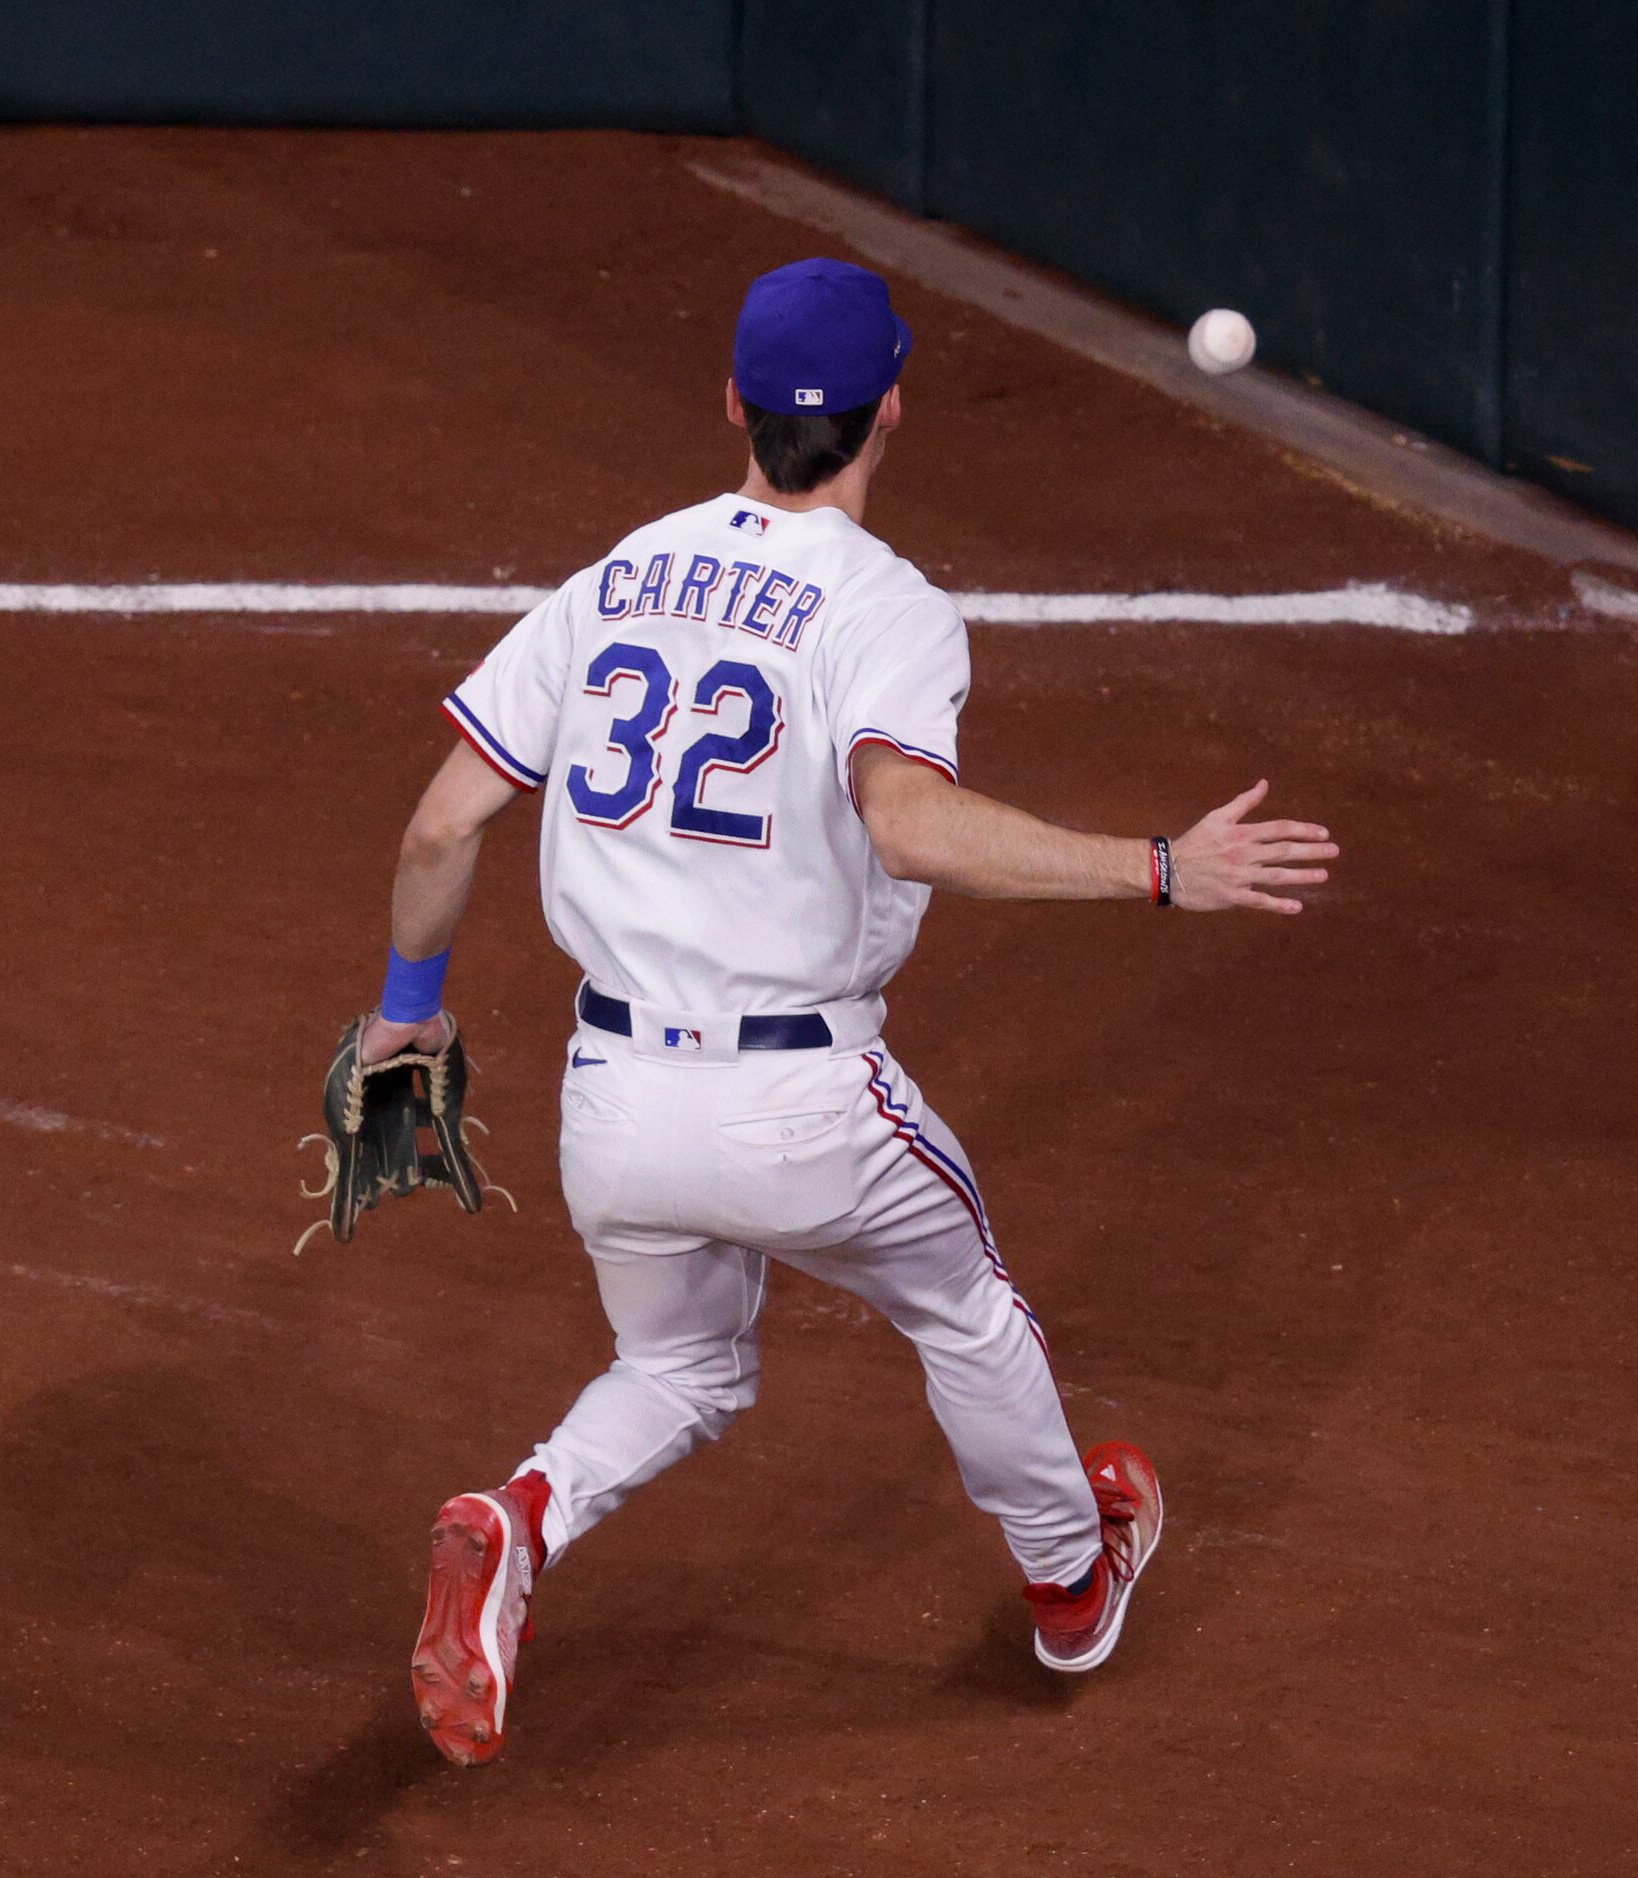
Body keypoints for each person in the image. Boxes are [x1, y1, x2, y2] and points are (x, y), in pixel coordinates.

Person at [357, 257, 1339, 1766]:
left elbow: (439, 826)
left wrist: (404, 1016)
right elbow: (909, 823)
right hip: (806, 1105)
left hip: (610, 1104)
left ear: (732, 406)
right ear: (892, 413)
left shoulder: (614, 575)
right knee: (966, 1302)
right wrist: (1159, 869)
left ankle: (518, 1516)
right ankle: (1074, 1577)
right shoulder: (889, 609)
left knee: (681, 1365)